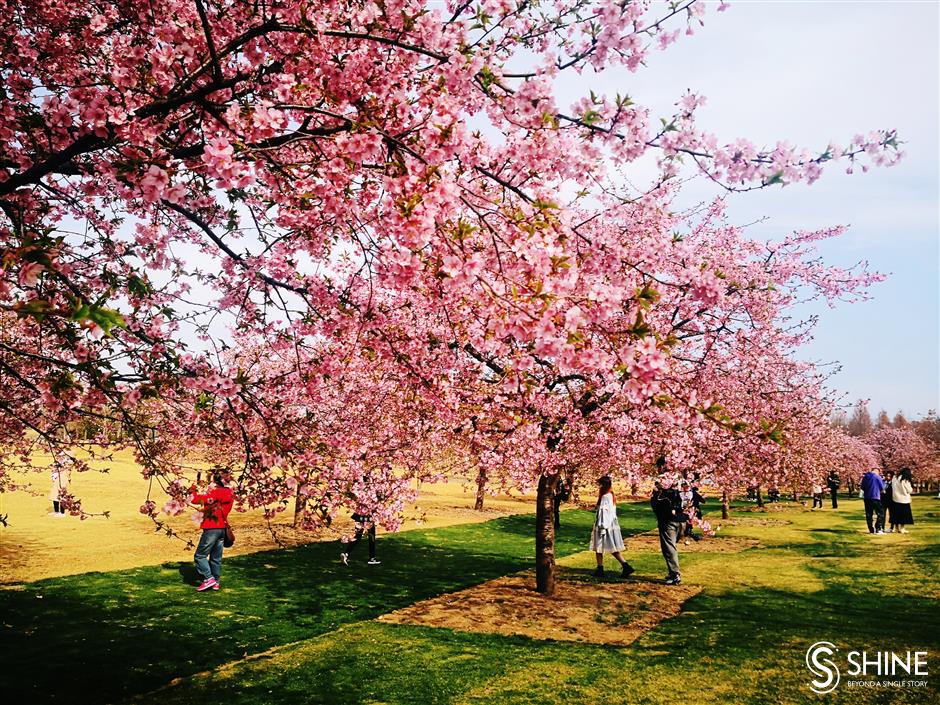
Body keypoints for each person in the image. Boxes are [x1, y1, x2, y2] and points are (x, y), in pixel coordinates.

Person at [190, 470, 235, 592]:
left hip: (211, 527)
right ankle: (216, 581)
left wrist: (193, 487)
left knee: (200, 555)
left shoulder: (216, 493)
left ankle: (209, 578)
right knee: (216, 557)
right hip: (222, 528)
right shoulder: (229, 494)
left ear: (215, 481)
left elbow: (195, 499)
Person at [590, 476, 634, 578]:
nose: (599, 486)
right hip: (608, 523)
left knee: (600, 546)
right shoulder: (609, 495)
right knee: (608, 547)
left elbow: (605, 512)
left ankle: (602, 569)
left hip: (605, 525)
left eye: (600, 484)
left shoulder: (606, 496)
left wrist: (602, 526)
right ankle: (624, 566)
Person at [651, 479, 682, 585]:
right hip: (677, 521)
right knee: (668, 547)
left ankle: (675, 574)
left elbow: (656, 506)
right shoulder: (675, 491)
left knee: (669, 548)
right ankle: (672, 572)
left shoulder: (661, 495)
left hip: (667, 522)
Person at [860, 468, 886, 534]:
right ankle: (878, 528)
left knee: (869, 514)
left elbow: (862, 487)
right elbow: (882, 488)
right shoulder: (877, 477)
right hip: (875, 497)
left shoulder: (865, 477)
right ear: (877, 472)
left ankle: (870, 529)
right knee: (880, 513)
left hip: (867, 498)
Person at [890, 467, 915, 533]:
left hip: (895, 498)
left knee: (895, 515)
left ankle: (896, 528)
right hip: (904, 499)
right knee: (904, 515)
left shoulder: (894, 478)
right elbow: (909, 490)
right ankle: (902, 528)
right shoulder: (905, 480)